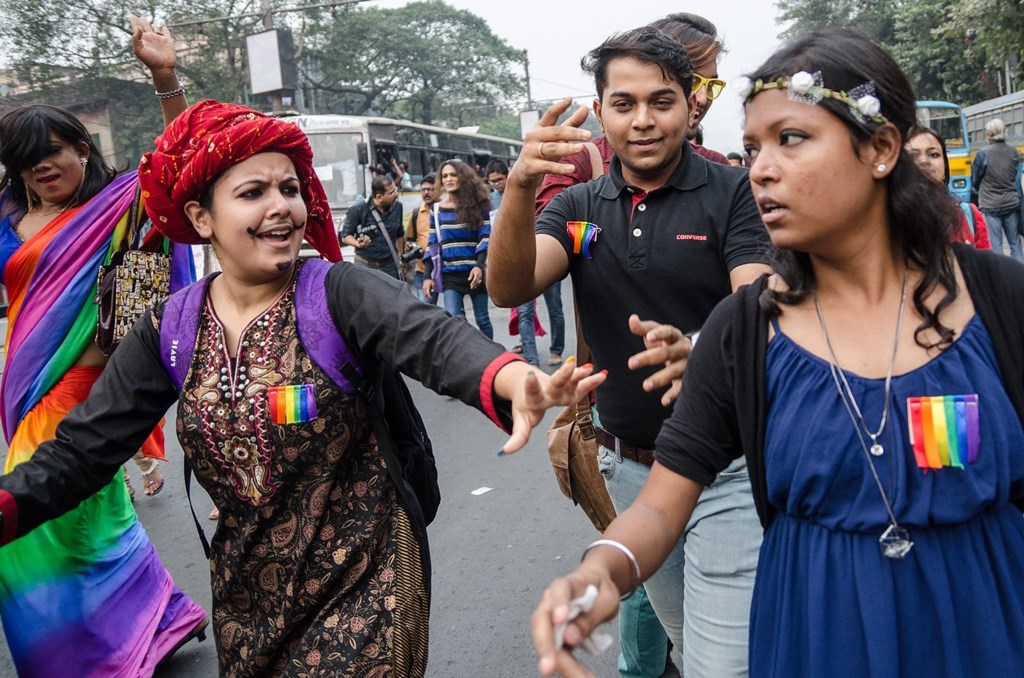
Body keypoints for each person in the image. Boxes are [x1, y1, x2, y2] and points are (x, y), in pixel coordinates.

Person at [0, 100, 606, 677]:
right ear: (200, 217)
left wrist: (510, 375)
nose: (282, 208)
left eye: (289, 189)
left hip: (367, 579)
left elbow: (431, 338)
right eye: (252, 193)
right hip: (246, 593)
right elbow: (83, 450)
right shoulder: (169, 327)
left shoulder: (337, 292)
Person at [532, 28, 1024, 678]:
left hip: (985, 633)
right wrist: (596, 574)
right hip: (814, 639)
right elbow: (658, 505)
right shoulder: (746, 330)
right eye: (752, 147)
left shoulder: (999, 298)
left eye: (791, 139)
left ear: (879, 149)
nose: (760, 168)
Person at [491, 25, 770, 678]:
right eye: (624, 103)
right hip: (631, 471)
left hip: (727, 471)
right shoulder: (586, 215)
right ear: (601, 109)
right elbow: (513, 281)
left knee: (723, 666)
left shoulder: (732, 194)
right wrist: (517, 188)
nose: (643, 120)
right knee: (683, 643)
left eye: (661, 101)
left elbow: (754, 307)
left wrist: (702, 348)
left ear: (690, 104)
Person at [0, 17, 208, 676]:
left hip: (88, 382)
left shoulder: (124, 209)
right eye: (27, 155)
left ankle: (79, 657)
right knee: (91, 511)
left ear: (83, 149)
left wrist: (165, 79)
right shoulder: (7, 219)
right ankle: (152, 620)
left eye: (55, 148)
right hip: (21, 380)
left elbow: (182, 168)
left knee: (27, 527)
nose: (43, 163)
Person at [422, 160, 494, 339]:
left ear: (463, 177)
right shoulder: (436, 210)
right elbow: (433, 245)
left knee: (482, 319)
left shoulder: (480, 205)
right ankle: (464, 360)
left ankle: (492, 357)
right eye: (445, 176)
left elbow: (485, 238)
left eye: (453, 175)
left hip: (475, 274)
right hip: (450, 276)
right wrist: (427, 277)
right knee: (453, 320)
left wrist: (479, 266)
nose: (449, 179)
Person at [906, 125, 991, 249]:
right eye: (913, 156)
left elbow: (984, 266)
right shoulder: (884, 220)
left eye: (933, 154)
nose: (924, 160)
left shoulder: (970, 215)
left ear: (945, 166)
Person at [971, 118, 1022, 260]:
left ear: (990, 134)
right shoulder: (1014, 152)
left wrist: (976, 192)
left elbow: (975, 179)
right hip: (1012, 203)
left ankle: (1001, 278)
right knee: (1015, 244)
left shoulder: (983, 153)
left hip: (990, 204)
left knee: (996, 245)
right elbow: (1017, 177)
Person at [340, 174, 405, 279]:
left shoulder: (398, 207)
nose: (396, 194)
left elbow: (399, 235)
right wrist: (358, 244)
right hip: (365, 266)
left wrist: (401, 258)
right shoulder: (358, 209)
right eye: (392, 192)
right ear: (379, 197)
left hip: (390, 267)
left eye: (395, 189)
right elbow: (346, 236)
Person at [407, 173, 438, 303]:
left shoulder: (447, 211)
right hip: (422, 270)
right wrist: (410, 247)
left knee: (453, 312)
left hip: (443, 271)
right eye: (423, 190)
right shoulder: (416, 213)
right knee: (425, 308)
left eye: (430, 189)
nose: (426, 193)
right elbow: (409, 239)